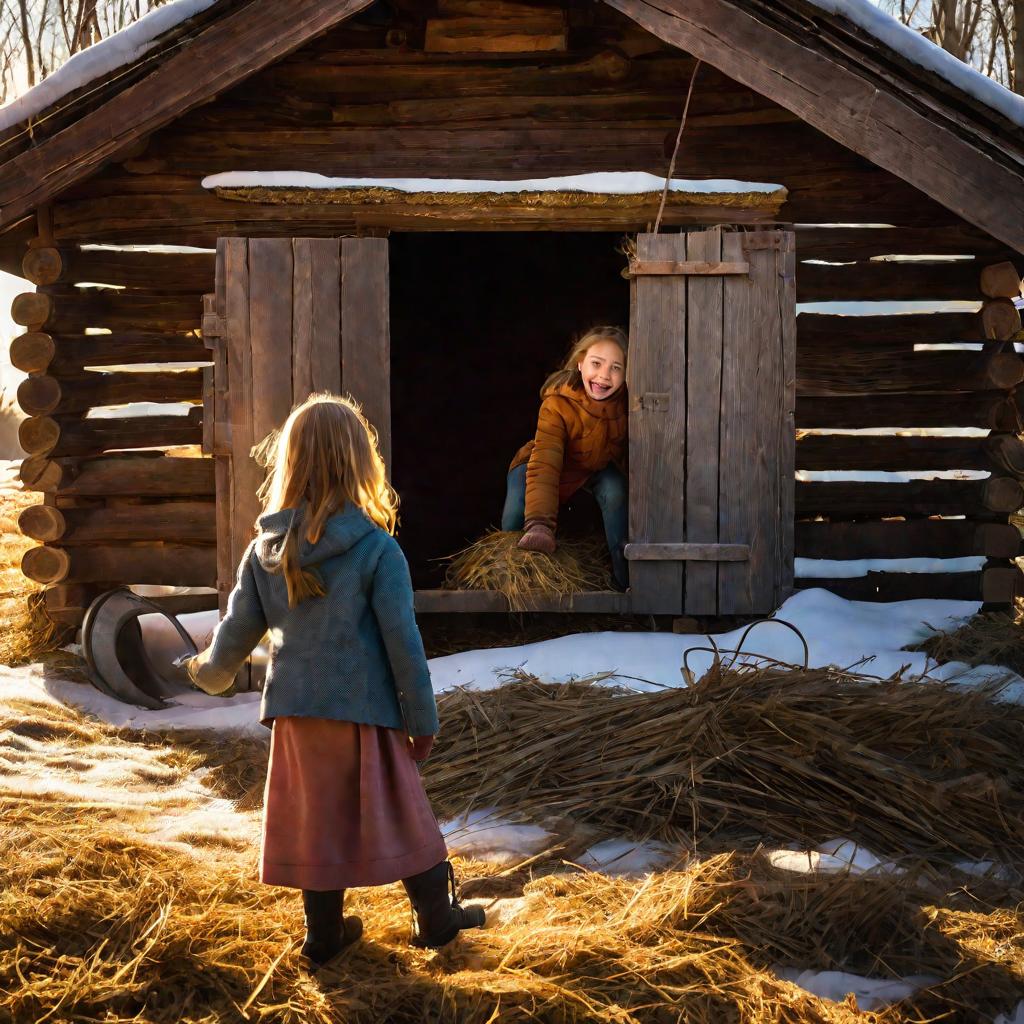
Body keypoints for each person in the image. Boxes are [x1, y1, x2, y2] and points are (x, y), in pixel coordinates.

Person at [184, 393, 484, 966]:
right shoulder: (376, 549)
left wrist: (205, 672)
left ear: (289, 463)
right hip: (366, 712)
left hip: (297, 715)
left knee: (315, 819)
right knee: (402, 812)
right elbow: (404, 644)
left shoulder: (263, 552)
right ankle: (436, 920)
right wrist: (421, 721)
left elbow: (233, 638)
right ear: (359, 462)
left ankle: (323, 936)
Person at [502, 326, 629, 589]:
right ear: (580, 364)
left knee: (615, 490)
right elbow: (546, 462)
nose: (604, 375)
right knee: (516, 512)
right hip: (539, 463)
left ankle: (625, 579)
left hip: (590, 467)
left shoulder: (631, 405)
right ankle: (508, 583)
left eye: (616, 367)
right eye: (597, 363)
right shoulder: (557, 404)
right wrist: (540, 525)